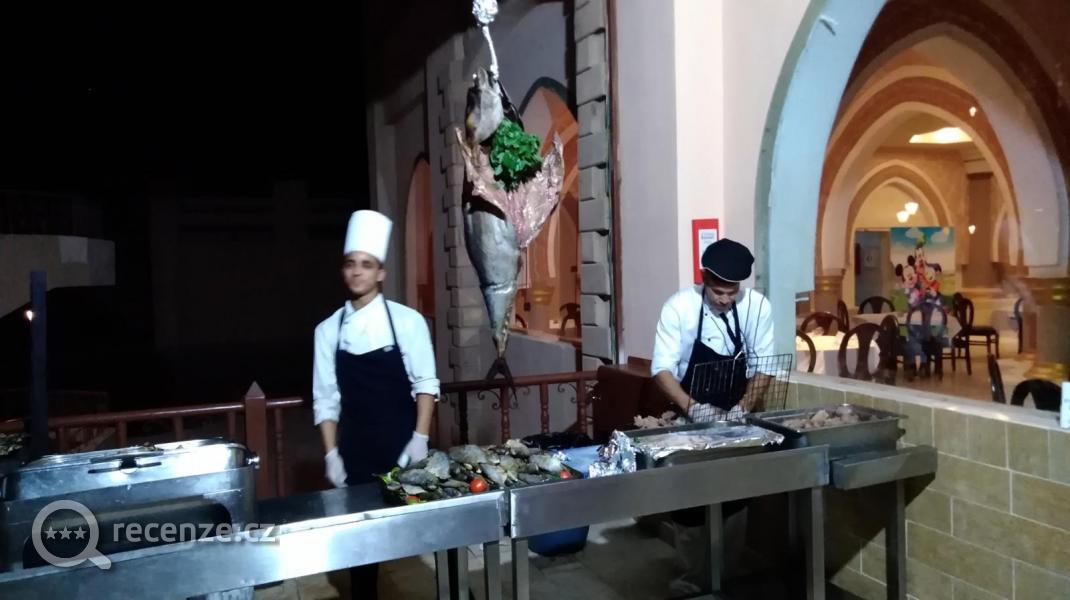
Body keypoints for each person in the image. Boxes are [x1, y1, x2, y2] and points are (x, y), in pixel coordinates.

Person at [312, 209, 439, 600]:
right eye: (350, 264)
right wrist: (331, 454)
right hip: (356, 451)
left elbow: (426, 385)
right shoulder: (327, 331)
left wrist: (420, 439)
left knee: (430, 537)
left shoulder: (407, 321)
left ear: (381, 273)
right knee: (362, 547)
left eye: (366, 265)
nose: (357, 272)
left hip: (403, 446)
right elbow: (326, 399)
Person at [650, 237, 774, 595]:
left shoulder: (756, 307)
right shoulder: (679, 308)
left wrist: (743, 408)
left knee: (734, 499)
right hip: (688, 416)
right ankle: (694, 579)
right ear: (704, 278)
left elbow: (765, 365)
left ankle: (726, 576)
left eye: (732, 292)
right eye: (718, 291)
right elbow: (661, 370)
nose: (724, 299)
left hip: (735, 417)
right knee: (689, 502)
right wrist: (694, 408)